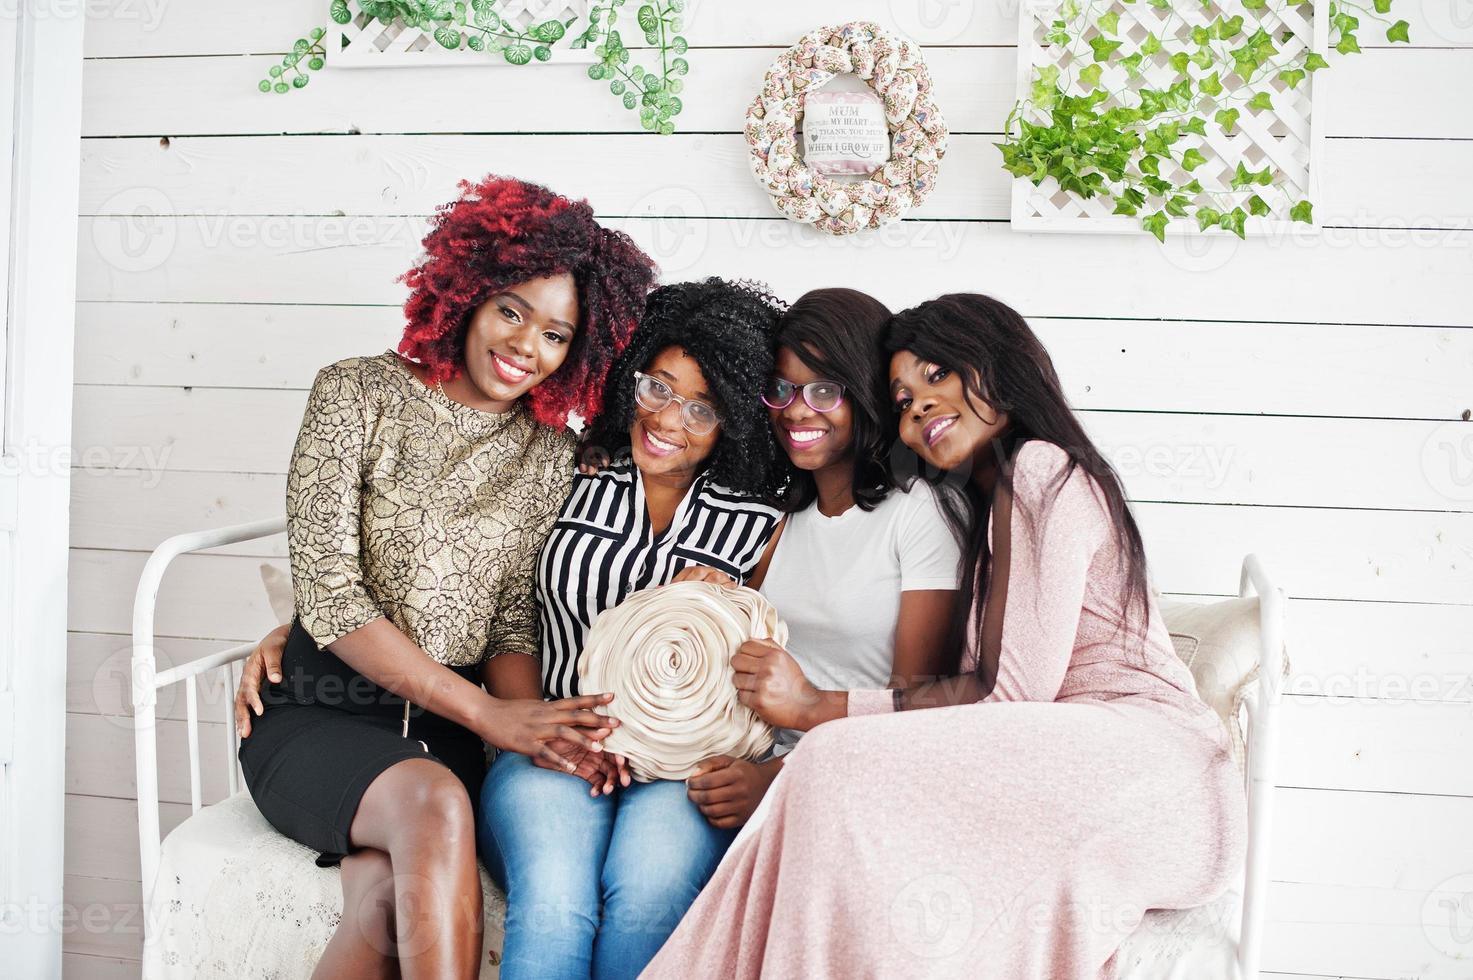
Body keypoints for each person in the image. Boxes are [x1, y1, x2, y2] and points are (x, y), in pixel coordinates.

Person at [644, 293, 1247, 979]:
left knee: (833, 757)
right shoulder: (978, 510)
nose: (918, 405)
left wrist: (818, 709)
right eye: (901, 398)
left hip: (1151, 769)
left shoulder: (1042, 470)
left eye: (935, 375)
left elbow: (1015, 692)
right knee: (855, 793)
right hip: (1071, 760)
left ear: (996, 364)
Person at [236, 175, 656, 980]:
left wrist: (535, 727)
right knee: (432, 803)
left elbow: (508, 621)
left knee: (383, 909)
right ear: (464, 293)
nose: (527, 346)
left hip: (443, 737)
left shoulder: (550, 456)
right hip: (321, 716)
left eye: (558, 335)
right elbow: (329, 594)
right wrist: (494, 717)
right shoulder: (355, 392)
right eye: (512, 311)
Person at [477, 277, 790, 980]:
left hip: (681, 768)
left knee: (647, 895)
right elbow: (503, 612)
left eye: (701, 408)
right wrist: (541, 724)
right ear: (631, 377)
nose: (669, 419)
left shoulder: (762, 519)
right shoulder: (564, 470)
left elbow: (779, 657)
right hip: (550, 746)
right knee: (558, 902)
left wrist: (728, 602)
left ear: (734, 418)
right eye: (658, 387)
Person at [683, 288, 960, 830]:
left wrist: (778, 779)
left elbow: (918, 704)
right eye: (782, 389)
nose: (797, 410)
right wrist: (714, 601)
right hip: (751, 758)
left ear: (865, 393)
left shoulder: (922, 512)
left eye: (825, 390)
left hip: (853, 778)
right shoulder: (781, 516)